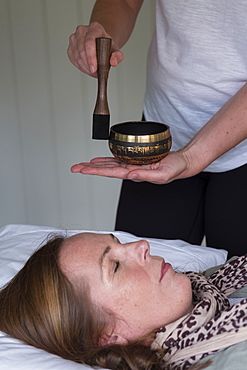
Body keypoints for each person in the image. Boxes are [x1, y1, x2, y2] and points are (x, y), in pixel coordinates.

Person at [67, 0, 247, 258]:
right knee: (135, 275)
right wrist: (102, 33)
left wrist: (190, 157)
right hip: (156, 142)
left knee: (239, 290)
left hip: (243, 150)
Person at [0, 232, 247, 370]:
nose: (142, 245)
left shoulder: (217, 281)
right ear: (108, 338)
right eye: (116, 266)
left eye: (117, 242)